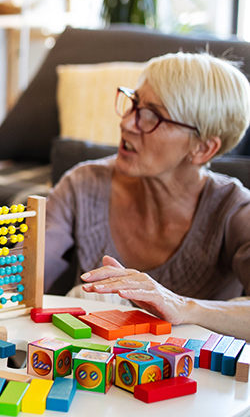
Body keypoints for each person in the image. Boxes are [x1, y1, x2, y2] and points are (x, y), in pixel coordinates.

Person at [43, 52, 250, 340]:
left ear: (203, 149)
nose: (127, 123)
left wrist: (183, 307)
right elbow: (24, 278)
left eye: (152, 116)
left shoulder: (234, 209)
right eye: (134, 103)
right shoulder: (83, 184)